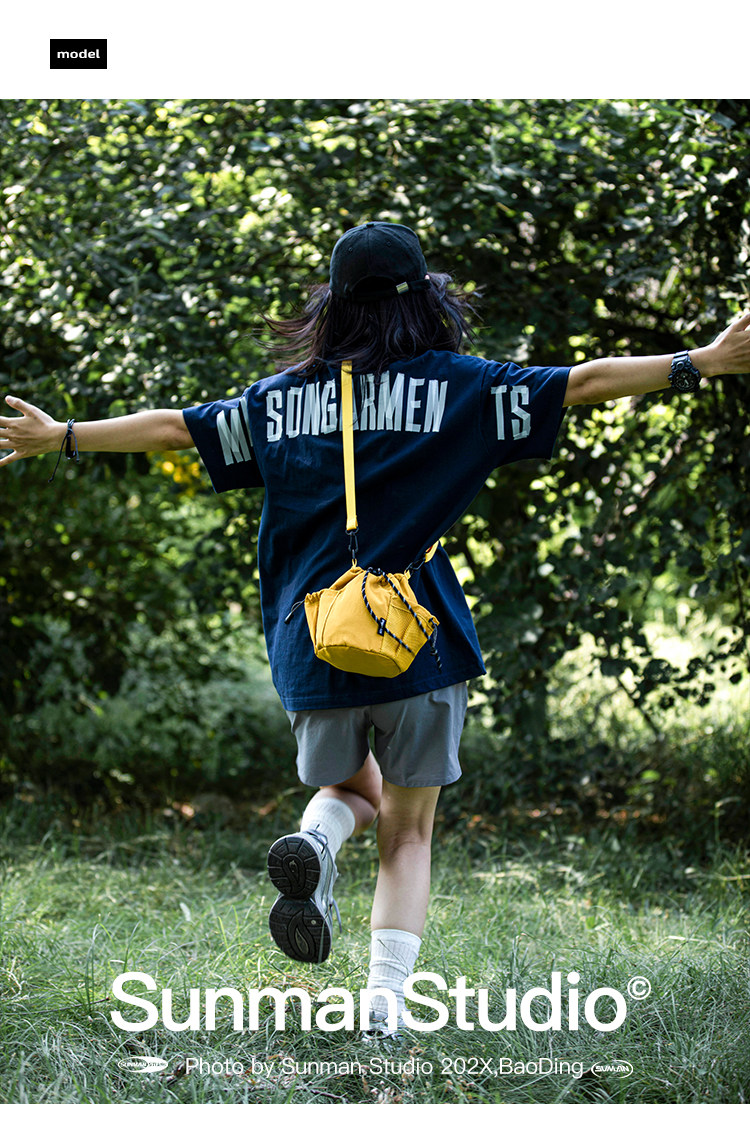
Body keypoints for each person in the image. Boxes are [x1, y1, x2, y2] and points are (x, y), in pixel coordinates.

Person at [3, 221, 750, 1038]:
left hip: (314, 644)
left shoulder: (277, 399)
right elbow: (584, 381)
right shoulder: (464, 387)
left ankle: (318, 841)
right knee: (408, 831)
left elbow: (176, 428)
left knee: (348, 789)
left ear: (332, 305)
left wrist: (59, 436)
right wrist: (703, 361)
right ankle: (384, 1009)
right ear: (425, 300)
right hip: (416, 645)